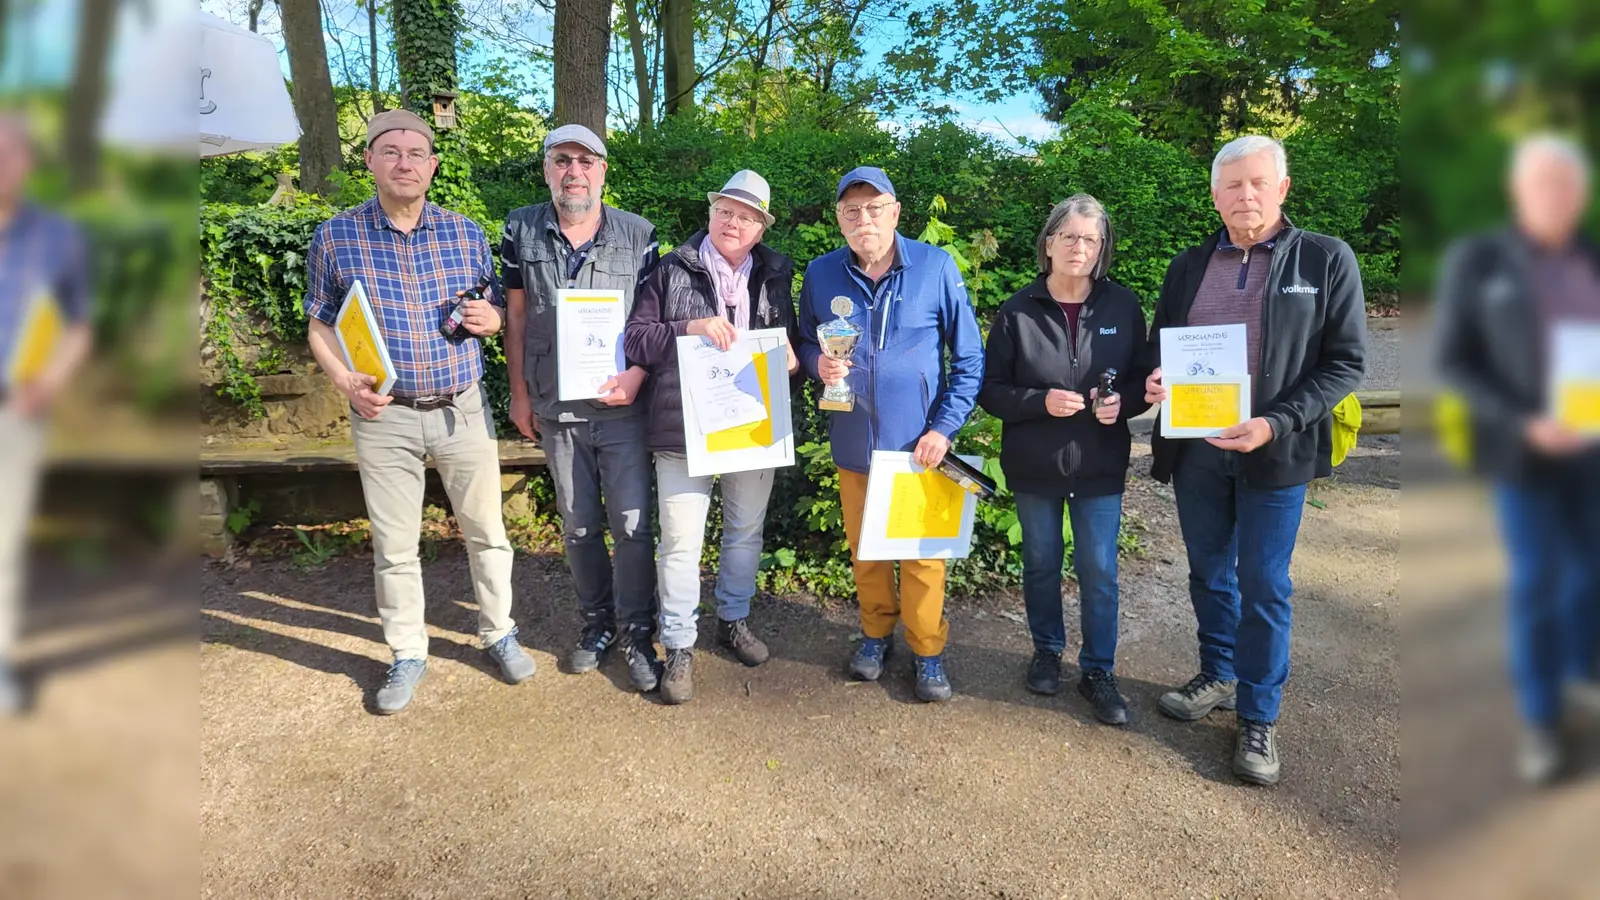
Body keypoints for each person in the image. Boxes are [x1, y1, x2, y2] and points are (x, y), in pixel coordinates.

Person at [1143, 135, 1366, 785]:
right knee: (1210, 572)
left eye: (1258, 183)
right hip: (1197, 451)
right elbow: (1164, 347)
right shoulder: (1188, 266)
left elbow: (1346, 363)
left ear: (1283, 189)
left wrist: (1275, 422)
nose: (1245, 195)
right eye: (1232, 185)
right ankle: (1218, 672)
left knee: (1265, 583)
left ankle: (1259, 714)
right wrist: (1157, 381)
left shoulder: (1325, 259)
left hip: (1277, 449)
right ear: (1215, 196)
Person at [304, 110, 536, 714]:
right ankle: (407, 651)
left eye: (416, 152)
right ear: (370, 161)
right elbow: (319, 323)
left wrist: (487, 320)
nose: (405, 162)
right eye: (391, 151)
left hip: (462, 408)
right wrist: (342, 381)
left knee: (487, 531)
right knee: (395, 543)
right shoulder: (335, 236)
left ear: (433, 165)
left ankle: (498, 631)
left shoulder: (466, 233)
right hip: (384, 415)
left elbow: (486, 309)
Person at [1434, 133, 1600, 785]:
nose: (1554, 197)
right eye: (1541, 185)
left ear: (1581, 194)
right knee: (1536, 582)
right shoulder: (1480, 262)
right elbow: (1455, 362)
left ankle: (1583, 677)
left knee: (1590, 574)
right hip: (1523, 453)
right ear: (1518, 192)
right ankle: (1541, 721)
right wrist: (1525, 421)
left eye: (1565, 185)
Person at [797, 166, 985, 702]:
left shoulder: (935, 266)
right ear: (839, 220)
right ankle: (876, 636)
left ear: (896, 212)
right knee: (866, 552)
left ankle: (928, 651)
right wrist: (818, 365)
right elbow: (806, 344)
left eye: (874, 209)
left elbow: (969, 359)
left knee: (923, 556)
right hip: (855, 445)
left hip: (917, 449)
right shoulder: (821, 273)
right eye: (852, 212)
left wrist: (944, 428)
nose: (864, 220)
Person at [623, 170, 800, 704]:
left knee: (745, 532)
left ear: (760, 228)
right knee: (681, 542)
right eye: (726, 210)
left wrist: (792, 358)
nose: (733, 222)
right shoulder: (668, 269)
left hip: (754, 426)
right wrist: (690, 328)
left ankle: (733, 618)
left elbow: (788, 341)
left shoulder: (776, 273)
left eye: (746, 216)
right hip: (684, 428)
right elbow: (635, 338)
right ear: (710, 212)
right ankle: (678, 644)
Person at [499, 124, 664, 692]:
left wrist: (640, 376)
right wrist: (520, 393)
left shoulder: (641, 235)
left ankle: (639, 632)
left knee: (634, 527)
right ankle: (598, 625)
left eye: (586, 161)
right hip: (554, 405)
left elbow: (654, 322)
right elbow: (515, 316)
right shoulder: (519, 229)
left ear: (603, 171)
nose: (574, 170)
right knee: (578, 526)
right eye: (562, 159)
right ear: (547, 169)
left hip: (622, 409)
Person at [976, 194, 1149, 725]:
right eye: (1069, 237)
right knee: (1042, 563)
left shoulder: (1124, 306)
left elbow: (1144, 382)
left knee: (1100, 570)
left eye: (1091, 240)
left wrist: (1127, 404)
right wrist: (1038, 402)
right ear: (1049, 243)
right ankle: (1047, 650)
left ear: (1103, 250)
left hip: (1100, 465)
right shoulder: (1018, 310)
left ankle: (1098, 669)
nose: (1079, 247)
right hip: (1035, 464)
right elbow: (990, 391)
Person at [0, 114, 94, 715]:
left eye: (11, 151)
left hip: (15, 411)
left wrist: (53, 379)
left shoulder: (57, 234)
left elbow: (78, 323)